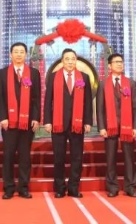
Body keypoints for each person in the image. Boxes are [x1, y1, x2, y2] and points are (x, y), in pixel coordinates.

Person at [43, 48, 93, 198]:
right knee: (59, 157)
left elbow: (88, 102)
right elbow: (48, 101)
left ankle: (73, 188)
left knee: (77, 157)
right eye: (67, 59)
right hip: (58, 123)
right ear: (62, 61)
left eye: (73, 59)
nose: (70, 62)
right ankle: (59, 188)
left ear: (76, 60)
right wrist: (47, 121)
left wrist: (88, 121)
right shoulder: (53, 77)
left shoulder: (84, 77)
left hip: (78, 123)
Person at [0, 42, 41, 199]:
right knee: (8, 155)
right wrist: (2, 117)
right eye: (16, 51)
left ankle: (23, 187)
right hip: (8, 123)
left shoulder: (34, 73)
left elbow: (36, 98)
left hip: (27, 122)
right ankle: (8, 188)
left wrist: (36, 118)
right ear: (10, 54)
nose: (19, 54)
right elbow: (0, 98)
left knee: (24, 156)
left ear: (26, 54)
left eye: (22, 52)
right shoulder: (2, 73)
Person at [97, 53, 136, 198]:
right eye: (116, 62)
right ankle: (112, 187)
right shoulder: (103, 84)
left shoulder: (130, 83)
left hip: (128, 126)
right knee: (110, 158)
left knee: (129, 157)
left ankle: (130, 186)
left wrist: (135, 127)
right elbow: (100, 108)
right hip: (110, 126)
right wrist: (101, 127)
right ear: (109, 66)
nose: (119, 64)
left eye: (121, 62)